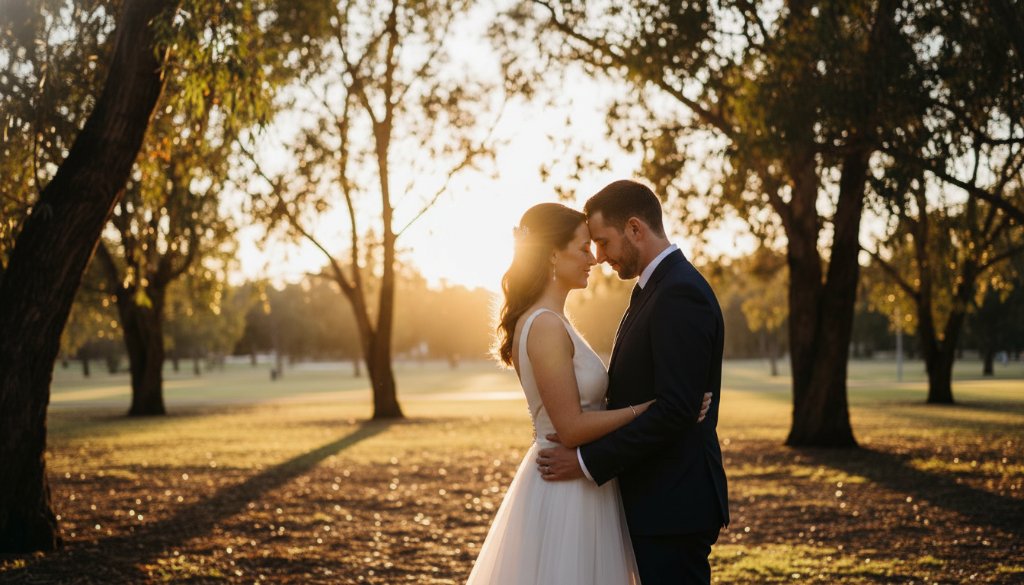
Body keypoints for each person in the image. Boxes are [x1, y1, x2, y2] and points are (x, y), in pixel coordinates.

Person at [465, 202, 711, 584]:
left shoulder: (555, 320)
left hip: (585, 483)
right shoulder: (545, 325)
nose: (593, 259)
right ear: (551, 255)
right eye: (583, 248)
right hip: (565, 491)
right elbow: (571, 428)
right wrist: (650, 408)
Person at [536, 180, 730, 585]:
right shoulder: (653, 289)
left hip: (672, 507)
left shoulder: (678, 293)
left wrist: (588, 462)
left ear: (636, 229)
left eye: (604, 242)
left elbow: (676, 409)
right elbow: (655, 399)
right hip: (653, 503)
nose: (600, 257)